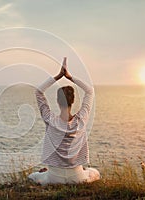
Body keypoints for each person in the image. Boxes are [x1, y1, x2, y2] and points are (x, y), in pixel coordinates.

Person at [28, 57, 100, 185]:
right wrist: (70, 77)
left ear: (57, 100)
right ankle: (82, 170)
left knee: (32, 176)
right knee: (95, 173)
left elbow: (39, 92)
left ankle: (45, 173)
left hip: (54, 178)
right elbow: (90, 91)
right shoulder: (81, 120)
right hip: (77, 177)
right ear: (73, 101)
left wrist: (58, 76)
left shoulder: (50, 120)